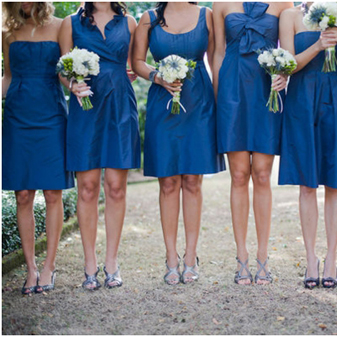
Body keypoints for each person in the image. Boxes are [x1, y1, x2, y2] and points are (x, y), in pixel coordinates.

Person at [132, 2, 225, 285]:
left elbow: (217, 57)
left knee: (193, 181)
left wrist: (222, 104)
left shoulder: (207, 16)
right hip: (163, 103)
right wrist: (157, 77)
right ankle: (171, 257)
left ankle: (190, 256)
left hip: (200, 105)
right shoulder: (147, 18)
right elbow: (136, 62)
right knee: (168, 182)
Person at [59, 2, 140, 290]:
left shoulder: (129, 22)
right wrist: (72, 84)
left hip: (120, 106)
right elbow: (62, 69)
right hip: (86, 107)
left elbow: (133, 65)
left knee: (116, 188)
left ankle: (112, 262)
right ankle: (90, 264)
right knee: (88, 187)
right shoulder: (70, 23)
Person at [213, 1, 293, 285]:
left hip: (265, 88)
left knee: (261, 173)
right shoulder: (221, 3)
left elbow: (288, 50)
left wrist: (284, 74)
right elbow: (218, 53)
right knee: (238, 175)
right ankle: (241, 258)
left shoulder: (284, 3)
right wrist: (218, 100)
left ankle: (263, 257)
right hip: (232, 90)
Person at [278, 2, 337, 289]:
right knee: (307, 184)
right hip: (301, 98)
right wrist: (319, 45)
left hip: (335, 97)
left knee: (334, 183)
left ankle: (331, 258)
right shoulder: (290, 16)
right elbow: (288, 64)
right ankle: (311, 258)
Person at [2, 1, 75, 295]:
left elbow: (66, 71)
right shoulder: (7, 31)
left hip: (51, 113)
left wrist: (80, 86)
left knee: (53, 192)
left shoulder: (61, 26)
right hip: (18, 114)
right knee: (22, 194)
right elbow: (7, 77)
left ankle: (49, 266)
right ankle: (31, 268)